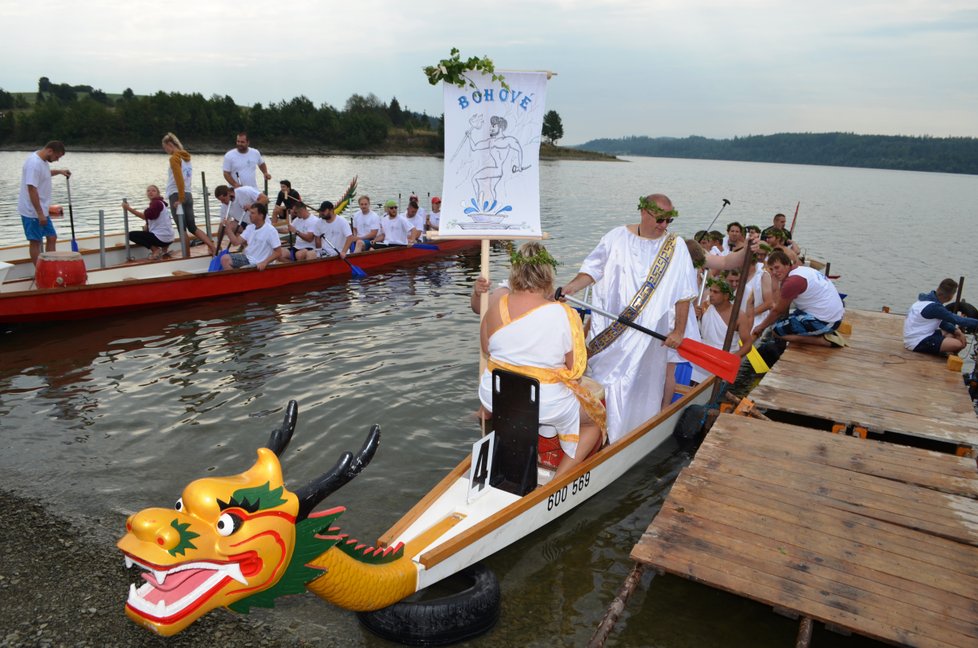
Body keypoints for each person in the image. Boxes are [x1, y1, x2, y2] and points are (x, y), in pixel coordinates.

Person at [559, 193, 699, 443]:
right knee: (603, 383)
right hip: (611, 330)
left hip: (649, 338)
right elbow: (592, 271)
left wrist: (678, 332)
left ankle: (629, 438)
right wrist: (570, 288)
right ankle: (599, 434)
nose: (664, 225)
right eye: (660, 219)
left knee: (640, 388)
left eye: (669, 220)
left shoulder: (676, 248)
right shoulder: (615, 237)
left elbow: (684, 295)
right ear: (644, 212)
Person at [480, 242, 605, 477]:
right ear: (548, 275)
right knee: (594, 423)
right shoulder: (564, 315)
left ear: (515, 272)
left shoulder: (498, 304)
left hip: (496, 394)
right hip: (542, 401)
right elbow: (577, 369)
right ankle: (559, 479)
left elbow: (487, 348)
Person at [752, 249, 846, 347]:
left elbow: (777, 311)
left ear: (787, 264)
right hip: (835, 316)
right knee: (783, 320)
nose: (774, 272)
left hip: (827, 321)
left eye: (777, 267)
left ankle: (823, 340)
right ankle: (820, 332)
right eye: (771, 269)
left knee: (776, 330)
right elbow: (781, 306)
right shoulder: (801, 270)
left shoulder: (792, 282)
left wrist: (761, 327)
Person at [162, 133, 215, 255]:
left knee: (182, 229)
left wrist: (180, 198)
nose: (166, 151)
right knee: (192, 226)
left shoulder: (174, 158)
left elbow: (179, 178)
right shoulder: (186, 158)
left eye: (166, 148)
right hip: (188, 193)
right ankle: (213, 247)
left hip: (177, 194)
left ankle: (186, 257)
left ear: (170, 145)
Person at [18, 140, 70, 265]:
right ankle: (39, 271)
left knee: (52, 237)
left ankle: (50, 265)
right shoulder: (34, 163)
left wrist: (59, 171)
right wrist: (40, 213)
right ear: (50, 151)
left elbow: (44, 174)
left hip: (42, 209)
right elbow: (31, 189)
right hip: (32, 211)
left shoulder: (43, 161)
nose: (57, 160)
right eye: (57, 157)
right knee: (35, 241)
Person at [903, 278, 978, 355]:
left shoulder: (925, 299)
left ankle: (942, 348)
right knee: (960, 344)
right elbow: (958, 319)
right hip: (916, 343)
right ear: (950, 297)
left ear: (938, 289)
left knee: (953, 333)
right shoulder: (935, 308)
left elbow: (942, 323)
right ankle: (942, 352)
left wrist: (957, 331)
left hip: (913, 336)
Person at [220, 203, 281, 271]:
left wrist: (264, 262)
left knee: (225, 259)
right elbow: (235, 242)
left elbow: (278, 252)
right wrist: (228, 229)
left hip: (258, 262)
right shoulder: (250, 227)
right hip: (248, 258)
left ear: (261, 215)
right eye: (250, 212)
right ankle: (236, 280)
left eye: (252, 213)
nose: (249, 215)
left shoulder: (271, 230)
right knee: (225, 259)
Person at [123, 185, 174, 259]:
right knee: (147, 231)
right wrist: (147, 225)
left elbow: (144, 216)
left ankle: (155, 250)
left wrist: (128, 208)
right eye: (148, 191)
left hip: (162, 238)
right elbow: (156, 219)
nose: (150, 192)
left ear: (158, 193)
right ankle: (164, 249)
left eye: (153, 190)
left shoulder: (156, 203)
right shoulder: (161, 203)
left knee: (130, 235)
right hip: (170, 238)